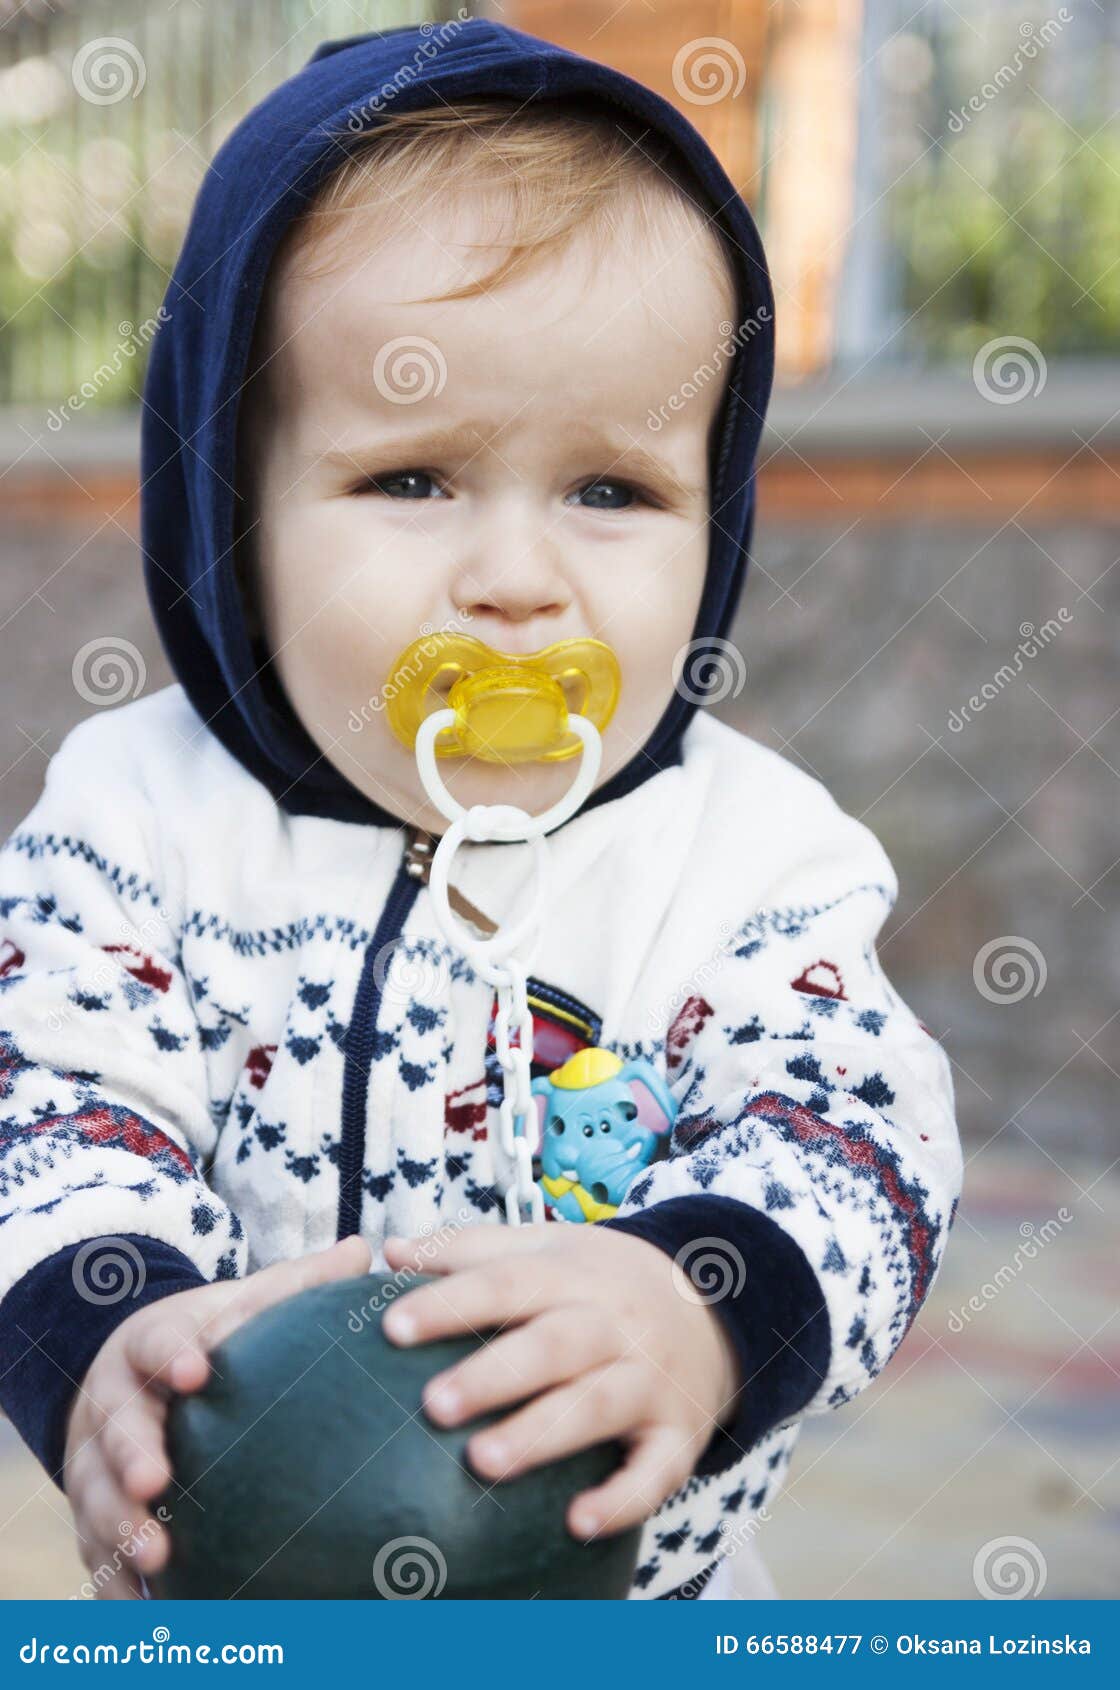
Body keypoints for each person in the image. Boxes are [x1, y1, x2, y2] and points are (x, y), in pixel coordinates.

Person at [0, 20, 961, 1602]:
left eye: (612, 491)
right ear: (231, 512)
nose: (519, 580)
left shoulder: (743, 863)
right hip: (236, 1599)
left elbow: (861, 1132)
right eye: (414, 479)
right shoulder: (135, 825)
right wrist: (112, 1333)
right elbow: (49, 1100)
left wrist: (696, 1302)